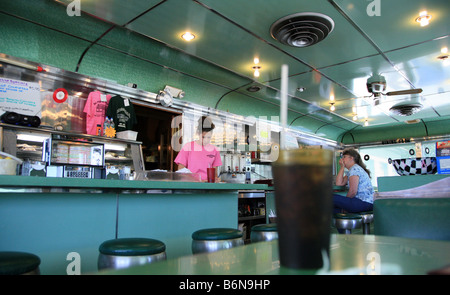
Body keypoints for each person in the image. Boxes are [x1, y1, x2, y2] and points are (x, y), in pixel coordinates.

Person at [174, 116, 222, 182]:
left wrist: (216, 179)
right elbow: (180, 170)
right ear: (197, 133)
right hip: (192, 185)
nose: (206, 140)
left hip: (208, 187)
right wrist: (195, 180)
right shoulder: (188, 147)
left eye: (209, 137)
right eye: (203, 137)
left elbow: (215, 173)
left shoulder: (215, 150)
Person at [333, 148, 374, 214]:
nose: (342, 159)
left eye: (344, 157)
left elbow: (353, 192)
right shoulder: (352, 170)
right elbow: (339, 183)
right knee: (331, 210)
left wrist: (345, 205)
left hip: (363, 202)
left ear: (351, 158)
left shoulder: (355, 169)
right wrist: (342, 167)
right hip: (365, 203)